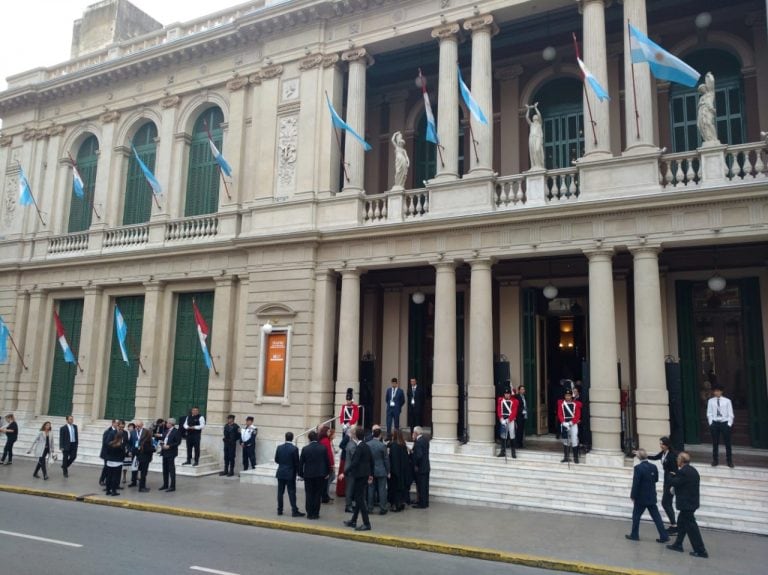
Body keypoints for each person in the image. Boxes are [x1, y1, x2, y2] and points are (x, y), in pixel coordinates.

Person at [666, 452, 709, 558]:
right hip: (692, 503)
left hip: (687, 505)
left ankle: (701, 550)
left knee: (692, 527)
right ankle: (678, 544)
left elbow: (675, 482)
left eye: (678, 460)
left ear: (681, 461)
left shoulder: (683, 472)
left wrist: (670, 476)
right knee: (681, 523)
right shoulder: (692, 470)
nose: (677, 461)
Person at [625, 449, 670, 543]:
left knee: (636, 516)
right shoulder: (653, 467)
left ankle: (634, 534)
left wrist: (633, 495)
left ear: (638, 457)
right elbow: (656, 479)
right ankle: (664, 535)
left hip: (641, 497)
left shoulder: (638, 468)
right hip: (651, 495)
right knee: (657, 517)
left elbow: (636, 483)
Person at [342, 427, 373, 531]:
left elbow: (354, 462)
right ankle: (354, 520)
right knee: (359, 498)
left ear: (355, 436)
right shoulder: (366, 446)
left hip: (360, 476)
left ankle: (366, 523)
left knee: (360, 499)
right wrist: (370, 474)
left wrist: (344, 472)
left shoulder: (359, 447)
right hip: (364, 475)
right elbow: (371, 461)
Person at [647, 436, 679, 533]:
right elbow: (655, 457)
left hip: (671, 480)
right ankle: (674, 524)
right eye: (660, 444)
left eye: (662, 444)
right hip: (666, 479)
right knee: (667, 503)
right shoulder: (664, 453)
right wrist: (644, 456)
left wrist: (673, 482)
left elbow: (675, 470)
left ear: (667, 445)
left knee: (666, 502)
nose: (660, 445)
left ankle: (674, 525)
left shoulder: (672, 455)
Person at [299, 429, 330, 520]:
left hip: (308, 475)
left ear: (309, 439)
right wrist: (327, 472)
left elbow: (301, 463)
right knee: (317, 494)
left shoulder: (305, 449)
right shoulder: (323, 448)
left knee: (309, 494)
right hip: (320, 475)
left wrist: (301, 474)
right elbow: (327, 461)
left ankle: (309, 513)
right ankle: (316, 513)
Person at [275, 431, 305, 517]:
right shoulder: (294, 449)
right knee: (291, 492)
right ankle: (294, 510)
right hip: (290, 473)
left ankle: (279, 510)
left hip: (280, 472)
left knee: (280, 492)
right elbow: (297, 463)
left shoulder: (279, 447)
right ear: (292, 438)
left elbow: (276, 459)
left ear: (285, 437)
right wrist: (299, 473)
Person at [707, 385, 734, 467]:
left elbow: (730, 413)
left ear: (721, 392)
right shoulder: (710, 401)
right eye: (715, 391)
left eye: (718, 391)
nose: (717, 392)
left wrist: (729, 424)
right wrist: (711, 423)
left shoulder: (727, 401)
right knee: (715, 443)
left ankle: (729, 461)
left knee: (727, 443)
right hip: (715, 423)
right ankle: (715, 460)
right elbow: (709, 413)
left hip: (724, 423)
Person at [367, 427, 389, 515]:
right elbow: (386, 460)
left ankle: (370, 508)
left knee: (370, 489)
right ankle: (383, 508)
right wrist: (388, 471)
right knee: (382, 490)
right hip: (381, 470)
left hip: (370, 470)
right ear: (380, 435)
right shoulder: (382, 445)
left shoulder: (368, 444)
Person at [557, 388, 582, 464]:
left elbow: (577, 415)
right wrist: (563, 422)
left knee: (574, 439)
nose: (567, 397)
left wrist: (571, 423)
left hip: (573, 424)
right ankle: (566, 457)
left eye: (569, 395)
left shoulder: (576, 404)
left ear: (571, 396)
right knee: (565, 440)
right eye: (566, 395)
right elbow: (560, 414)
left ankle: (575, 458)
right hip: (565, 423)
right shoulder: (561, 404)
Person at [388, 429, 410, 512]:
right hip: (403, 472)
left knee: (395, 489)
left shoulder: (394, 445)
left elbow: (393, 460)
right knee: (401, 489)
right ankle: (401, 504)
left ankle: (396, 505)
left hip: (395, 472)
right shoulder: (403, 445)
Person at [104, 421, 126, 496]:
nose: (122, 428)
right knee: (114, 476)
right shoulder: (112, 433)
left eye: (123, 427)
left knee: (110, 476)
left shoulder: (123, 434)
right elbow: (106, 443)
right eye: (120, 427)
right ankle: (113, 491)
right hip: (116, 460)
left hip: (111, 459)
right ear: (117, 425)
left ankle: (108, 490)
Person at [496, 385, 518, 459]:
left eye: (508, 393)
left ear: (510, 394)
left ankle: (513, 452)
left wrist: (509, 419)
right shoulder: (500, 400)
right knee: (503, 435)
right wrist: (501, 419)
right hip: (503, 420)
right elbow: (499, 410)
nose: (507, 395)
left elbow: (514, 411)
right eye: (506, 394)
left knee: (512, 435)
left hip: (510, 420)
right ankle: (503, 451)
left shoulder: (514, 401)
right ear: (504, 394)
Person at [160, 418, 181, 492]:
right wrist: (162, 444)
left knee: (171, 469)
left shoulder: (176, 431)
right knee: (164, 469)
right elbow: (163, 439)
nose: (166, 424)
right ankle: (165, 484)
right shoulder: (166, 431)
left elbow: (178, 442)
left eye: (167, 423)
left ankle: (172, 486)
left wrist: (169, 446)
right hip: (164, 452)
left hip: (171, 452)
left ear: (171, 424)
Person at [411, 426, 430, 508]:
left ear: (416, 433)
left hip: (421, 468)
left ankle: (421, 504)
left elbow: (419, 455)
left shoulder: (418, 442)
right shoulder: (425, 440)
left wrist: (416, 465)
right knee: (425, 486)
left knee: (421, 486)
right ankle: (425, 502)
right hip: (426, 467)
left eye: (413, 433)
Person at [697, 72, 718, 144]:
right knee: (702, 124)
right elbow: (699, 105)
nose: (702, 90)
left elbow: (712, 83)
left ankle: (714, 138)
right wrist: (702, 104)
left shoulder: (711, 93)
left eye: (702, 88)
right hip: (702, 111)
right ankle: (708, 139)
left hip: (709, 110)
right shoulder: (701, 97)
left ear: (705, 88)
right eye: (701, 90)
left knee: (709, 123)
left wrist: (708, 76)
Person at [134, 420, 153, 492]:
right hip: (145, 458)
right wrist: (154, 449)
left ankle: (142, 486)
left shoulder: (143, 441)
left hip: (141, 458)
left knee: (143, 473)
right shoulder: (146, 442)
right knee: (143, 473)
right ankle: (142, 487)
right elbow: (148, 449)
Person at [318, 425, 335, 503]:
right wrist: (331, 465)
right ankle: (325, 496)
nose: (329, 433)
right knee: (326, 481)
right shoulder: (325, 441)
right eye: (328, 431)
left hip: (323, 464)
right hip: (326, 464)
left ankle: (325, 495)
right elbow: (329, 454)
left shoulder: (323, 440)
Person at [525, 102, 545, 170]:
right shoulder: (532, 124)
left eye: (536, 117)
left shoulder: (539, 123)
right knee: (533, 152)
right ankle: (534, 166)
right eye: (534, 117)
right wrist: (528, 109)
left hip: (538, 138)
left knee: (537, 149)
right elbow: (527, 117)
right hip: (532, 138)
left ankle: (539, 165)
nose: (535, 117)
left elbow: (539, 115)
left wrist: (535, 108)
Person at [99, 420, 118, 486]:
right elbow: (105, 442)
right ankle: (102, 480)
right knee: (106, 467)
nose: (117, 424)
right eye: (116, 423)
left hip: (113, 453)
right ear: (113, 423)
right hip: (107, 453)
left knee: (109, 467)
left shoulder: (117, 431)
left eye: (117, 423)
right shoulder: (107, 431)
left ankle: (108, 480)